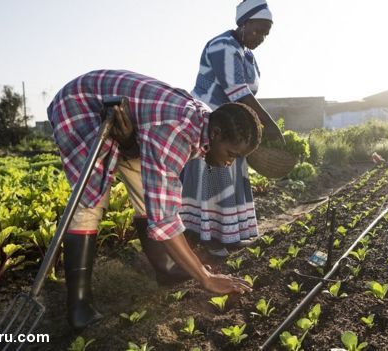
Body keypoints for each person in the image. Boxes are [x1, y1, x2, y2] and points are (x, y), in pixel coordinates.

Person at [47, 69, 255, 329]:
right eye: (231, 153)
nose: (229, 163)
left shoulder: (206, 120)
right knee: (89, 201)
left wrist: (129, 143)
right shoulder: (174, 134)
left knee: (147, 195)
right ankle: (78, 306)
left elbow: (158, 199)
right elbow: (165, 218)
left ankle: (166, 270)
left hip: (129, 124)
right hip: (80, 106)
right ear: (215, 134)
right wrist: (205, 278)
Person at [181, 0, 283, 257]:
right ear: (243, 23)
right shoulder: (222, 46)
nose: (260, 37)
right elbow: (238, 92)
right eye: (257, 30)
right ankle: (209, 238)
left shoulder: (246, 53)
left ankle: (229, 235)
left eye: (266, 34)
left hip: (232, 125)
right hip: (210, 124)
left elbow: (246, 94)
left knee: (230, 176)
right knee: (214, 178)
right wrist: (268, 124)